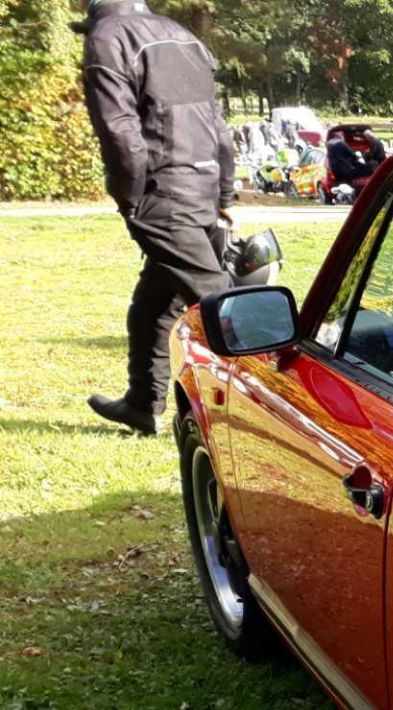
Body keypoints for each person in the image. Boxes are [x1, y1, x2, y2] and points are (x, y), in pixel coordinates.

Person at [76, 0, 233, 437]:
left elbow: (120, 132)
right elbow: (217, 126)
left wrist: (131, 197)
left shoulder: (107, 40)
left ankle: (277, 414)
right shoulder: (182, 36)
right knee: (152, 307)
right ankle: (142, 405)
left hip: (162, 194)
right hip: (199, 189)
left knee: (221, 305)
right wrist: (223, 192)